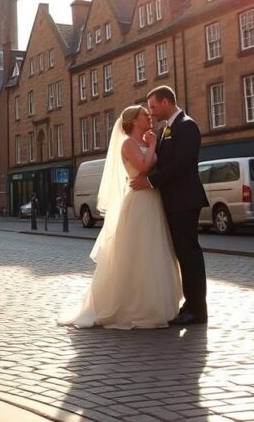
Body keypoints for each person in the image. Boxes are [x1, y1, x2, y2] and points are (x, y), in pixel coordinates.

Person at [58, 105, 182, 329]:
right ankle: (131, 305)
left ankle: (156, 303)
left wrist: (153, 144)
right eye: (145, 114)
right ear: (134, 120)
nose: (149, 116)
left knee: (154, 250)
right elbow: (143, 167)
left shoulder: (147, 141)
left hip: (153, 200)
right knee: (136, 252)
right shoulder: (128, 144)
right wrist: (153, 144)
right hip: (138, 202)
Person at [131, 86, 209, 326]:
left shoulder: (187, 125)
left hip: (185, 200)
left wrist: (150, 181)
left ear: (166, 102)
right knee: (182, 254)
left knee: (189, 253)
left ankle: (197, 310)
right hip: (173, 201)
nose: (151, 112)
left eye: (153, 107)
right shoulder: (167, 129)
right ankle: (190, 304)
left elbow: (182, 164)